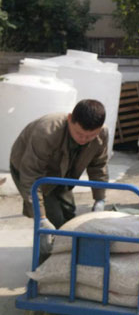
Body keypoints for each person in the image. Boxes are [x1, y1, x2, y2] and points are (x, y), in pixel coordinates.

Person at [10, 99, 109, 257]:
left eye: (90, 136)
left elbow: (98, 166)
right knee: (52, 220)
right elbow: (31, 176)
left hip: (63, 171)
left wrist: (100, 199)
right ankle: (45, 264)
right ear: (69, 119)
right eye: (79, 134)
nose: (83, 139)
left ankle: (68, 260)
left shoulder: (102, 134)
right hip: (28, 168)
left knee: (69, 215)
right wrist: (41, 218)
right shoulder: (46, 132)